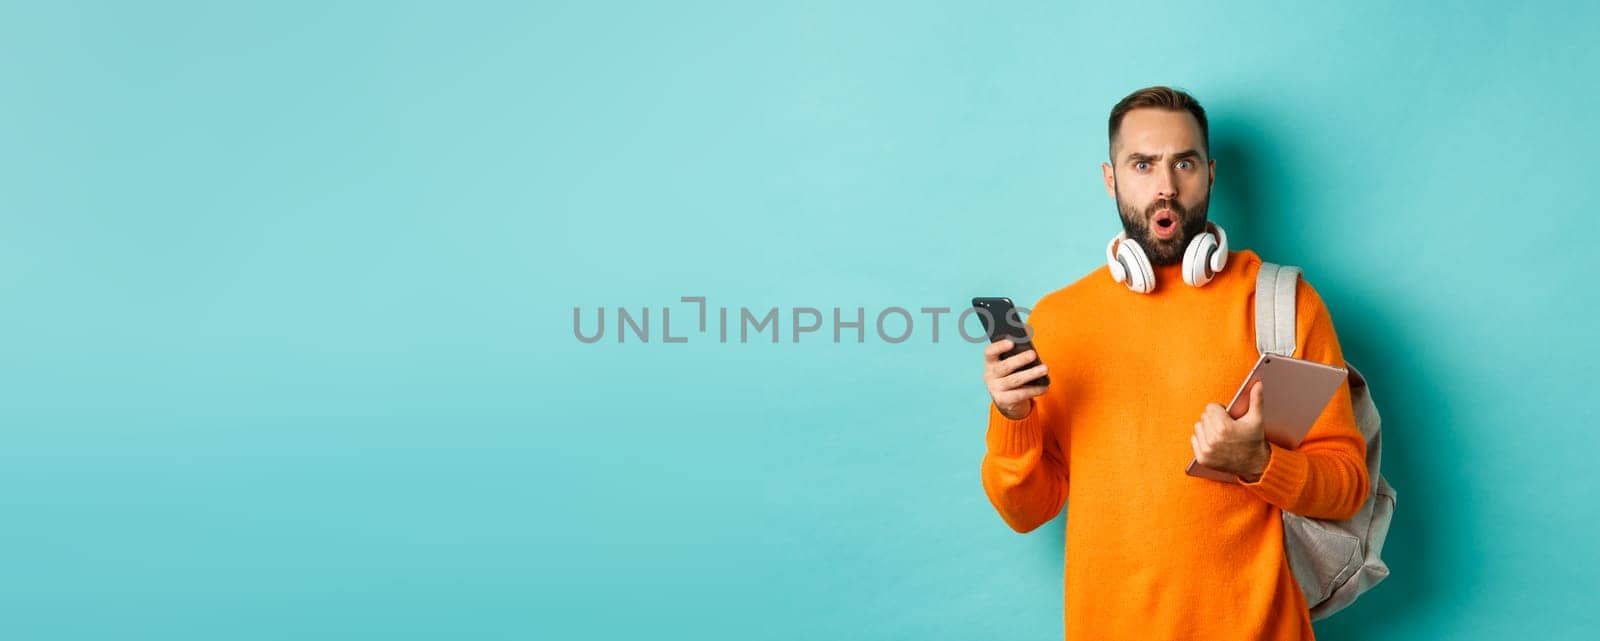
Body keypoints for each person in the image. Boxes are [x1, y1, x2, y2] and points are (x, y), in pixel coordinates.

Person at [979, 86, 1370, 640]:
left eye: (1183, 163)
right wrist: (1013, 418)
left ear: (1209, 173)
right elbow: (1026, 511)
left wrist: (1259, 462)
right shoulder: (1060, 319)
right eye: (1142, 164)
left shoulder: (1281, 303)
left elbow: (1348, 486)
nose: (1165, 187)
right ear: (1111, 178)